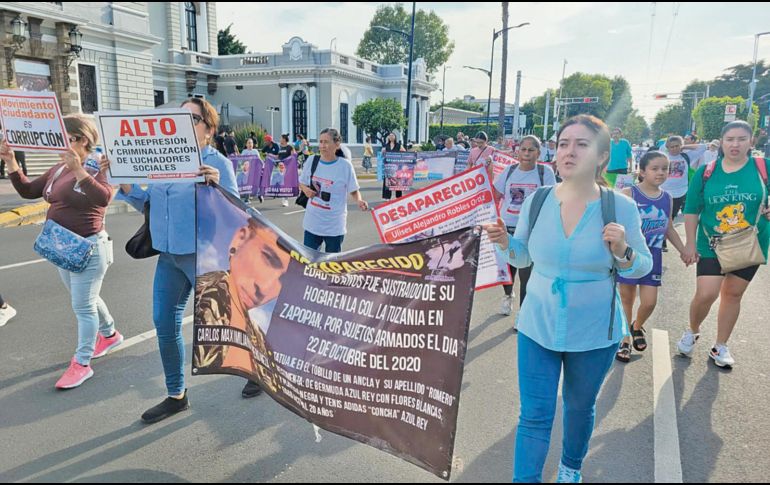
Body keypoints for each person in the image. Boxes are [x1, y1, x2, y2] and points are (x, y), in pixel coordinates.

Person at [485, 114, 652, 483]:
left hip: (594, 331)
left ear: (602, 157)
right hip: (537, 325)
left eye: (581, 144)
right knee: (534, 415)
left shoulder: (619, 207)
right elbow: (523, 257)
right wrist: (504, 244)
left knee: (578, 407)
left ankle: (570, 469)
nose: (569, 152)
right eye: (563, 144)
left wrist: (622, 248)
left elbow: (641, 267)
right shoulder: (538, 200)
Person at [109, 98, 255, 423]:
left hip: (205, 258)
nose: (183, 125)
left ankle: (257, 369)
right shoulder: (164, 159)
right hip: (169, 257)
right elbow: (150, 203)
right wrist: (126, 184)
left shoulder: (216, 162)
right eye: (180, 118)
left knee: (231, 322)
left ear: (208, 129)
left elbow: (238, 213)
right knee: (164, 323)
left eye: (192, 119)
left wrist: (217, 185)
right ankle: (176, 395)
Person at [1, 114, 120, 389]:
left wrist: (79, 170)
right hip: (63, 246)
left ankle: (82, 363)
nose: (59, 143)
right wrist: (11, 162)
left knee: (83, 305)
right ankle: (110, 334)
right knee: (87, 298)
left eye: (65, 138)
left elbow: (103, 198)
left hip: (89, 247)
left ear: (83, 140)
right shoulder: (58, 168)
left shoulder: (99, 166)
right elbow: (29, 191)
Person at [677, 120, 770, 368]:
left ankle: (720, 346)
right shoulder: (707, 172)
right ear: (722, 142)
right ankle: (693, 330)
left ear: (752, 142)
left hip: (751, 243)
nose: (735, 144)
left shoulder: (764, 168)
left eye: (741, 139)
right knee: (706, 293)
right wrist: (689, 244)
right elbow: (691, 209)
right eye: (730, 139)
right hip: (712, 243)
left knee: (733, 294)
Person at [195, 218, 290, 392]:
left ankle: (252, 376)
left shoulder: (259, 338)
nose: (266, 286)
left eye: (282, 279)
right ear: (240, 239)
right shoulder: (208, 296)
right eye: (268, 259)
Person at [615, 151, 687, 363]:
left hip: (653, 255)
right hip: (629, 255)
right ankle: (625, 341)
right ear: (642, 171)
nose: (661, 173)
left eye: (665, 169)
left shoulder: (667, 198)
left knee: (649, 302)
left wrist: (684, 250)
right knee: (626, 299)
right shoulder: (629, 193)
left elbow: (669, 228)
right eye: (655, 168)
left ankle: (637, 326)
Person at [492, 135, 557, 323]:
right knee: (507, 269)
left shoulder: (546, 173)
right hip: (508, 227)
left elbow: (552, 200)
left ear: (538, 152)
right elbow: (494, 195)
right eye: (523, 149)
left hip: (532, 230)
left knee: (527, 273)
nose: (526, 154)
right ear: (517, 151)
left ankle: (523, 313)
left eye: (531, 150)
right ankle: (507, 295)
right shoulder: (509, 171)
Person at [299, 128, 368, 253]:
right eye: (320, 142)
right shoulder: (311, 160)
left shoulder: (345, 166)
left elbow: (353, 189)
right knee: (308, 262)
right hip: (312, 223)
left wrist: (359, 200)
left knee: (332, 265)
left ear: (337, 144)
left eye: (326, 142)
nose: (322, 146)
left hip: (334, 226)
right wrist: (306, 190)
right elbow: (302, 182)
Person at [381, 132, 405, 200]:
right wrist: (383, 152)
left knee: (397, 181)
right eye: (390, 136)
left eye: (392, 135)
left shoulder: (398, 145)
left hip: (397, 166)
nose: (391, 137)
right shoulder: (386, 145)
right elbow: (382, 154)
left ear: (395, 137)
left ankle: (398, 197)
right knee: (387, 181)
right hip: (388, 166)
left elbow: (404, 152)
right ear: (388, 137)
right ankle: (387, 197)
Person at [240, 138, 262, 204]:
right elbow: (241, 161)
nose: (250, 144)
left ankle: (259, 195)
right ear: (246, 144)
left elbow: (259, 160)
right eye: (249, 143)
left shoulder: (255, 151)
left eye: (251, 143)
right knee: (248, 184)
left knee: (255, 185)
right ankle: (247, 199)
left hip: (255, 170)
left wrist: (263, 165)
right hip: (247, 171)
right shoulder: (244, 152)